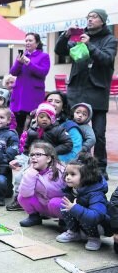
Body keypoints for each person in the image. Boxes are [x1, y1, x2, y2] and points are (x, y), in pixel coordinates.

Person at [55, 10, 117, 178]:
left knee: (98, 134)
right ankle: (78, 164)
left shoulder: (110, 39)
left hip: (97, 92)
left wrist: (90, 45)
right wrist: (66, 35)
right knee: (75, 131)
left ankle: (100, 168)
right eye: (88, 17)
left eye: (94, 17)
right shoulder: (79, 36)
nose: (90, 19)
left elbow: (106, 59)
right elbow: (60, 50)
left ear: (103, 21)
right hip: (77, 90)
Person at [57, 153, 109, 251]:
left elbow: (97, 215)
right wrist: (72, 208)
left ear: (86, 176)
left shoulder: (96, 194)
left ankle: (94, 238)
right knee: (65, 206)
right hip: (83, 220)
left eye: (73, 174)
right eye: (67, 174)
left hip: (100, 225)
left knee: (79, 211)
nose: (67, 177)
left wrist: (75, 208)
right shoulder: (73, 189)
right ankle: (74, 232)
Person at [9, 33, 50, 135]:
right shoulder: (22, 55)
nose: (27, 43)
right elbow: (13, 72)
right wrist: (19, 62)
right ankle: (17, 143)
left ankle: (30, 143)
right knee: (18, 121)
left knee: (33, 121)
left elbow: (43, 72)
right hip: (20, 93)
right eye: (26, 40)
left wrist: (29, 63)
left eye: (30, 40)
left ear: (37, 43)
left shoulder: (44, 56)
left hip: (33, 93)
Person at [17, 141, 65, 227]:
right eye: (32, 155)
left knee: (54, 202)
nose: (33, 157)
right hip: (43, 205)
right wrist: (30, 174)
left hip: (57, 205)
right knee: (21, 196)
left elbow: (66, 193)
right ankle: (34, 217)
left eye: (38, 154)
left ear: (48, 159)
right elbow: (25, 193)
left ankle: (65, 220)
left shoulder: (60, 171)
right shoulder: (30, 171)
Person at [44, 91, 82, 163]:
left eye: (57, 102)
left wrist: (50, 162)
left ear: (63, 107)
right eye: (49, 101)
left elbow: (75, 152)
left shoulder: (70, 126)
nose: (52, 104)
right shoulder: (36, 125)